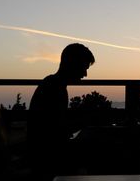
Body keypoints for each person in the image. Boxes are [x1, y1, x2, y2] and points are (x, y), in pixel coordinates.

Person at [27, 43, 95, 180]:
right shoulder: (55, 88)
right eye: (84, 67)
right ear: (73, 64)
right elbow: (53, 132)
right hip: (47, 160)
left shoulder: (52, 84)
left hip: (43, 156)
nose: (85, 74)